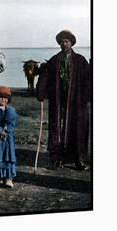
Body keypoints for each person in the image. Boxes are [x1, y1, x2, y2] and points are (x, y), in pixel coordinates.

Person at [36, 30, 91, 170]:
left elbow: (88, 79)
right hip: (58, 100)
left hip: (77, 102)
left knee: (77, 129)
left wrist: (89, 96)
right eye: (61, 42)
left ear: (71, 43)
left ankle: (79, 159)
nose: (64, 44)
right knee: (57, 130)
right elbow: (45, 76)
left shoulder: (80, 60)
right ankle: (57, 159)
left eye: (66, 41)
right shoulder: (54, 60)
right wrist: (41, 92)